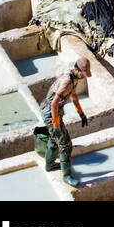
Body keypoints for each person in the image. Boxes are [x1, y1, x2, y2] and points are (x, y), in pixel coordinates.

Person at [40, 57, 91, 186]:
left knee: (54, 138)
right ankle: (67, 176)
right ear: (76, 69)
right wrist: (56, 125)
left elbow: (73, 97)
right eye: (82, 74)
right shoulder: (67, 82)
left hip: (54, 112)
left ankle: (49, 165)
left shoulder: (74, 79)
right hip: (51, 113)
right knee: (65, 144)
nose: (83, 76)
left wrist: (81, 113)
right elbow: (53, 104)